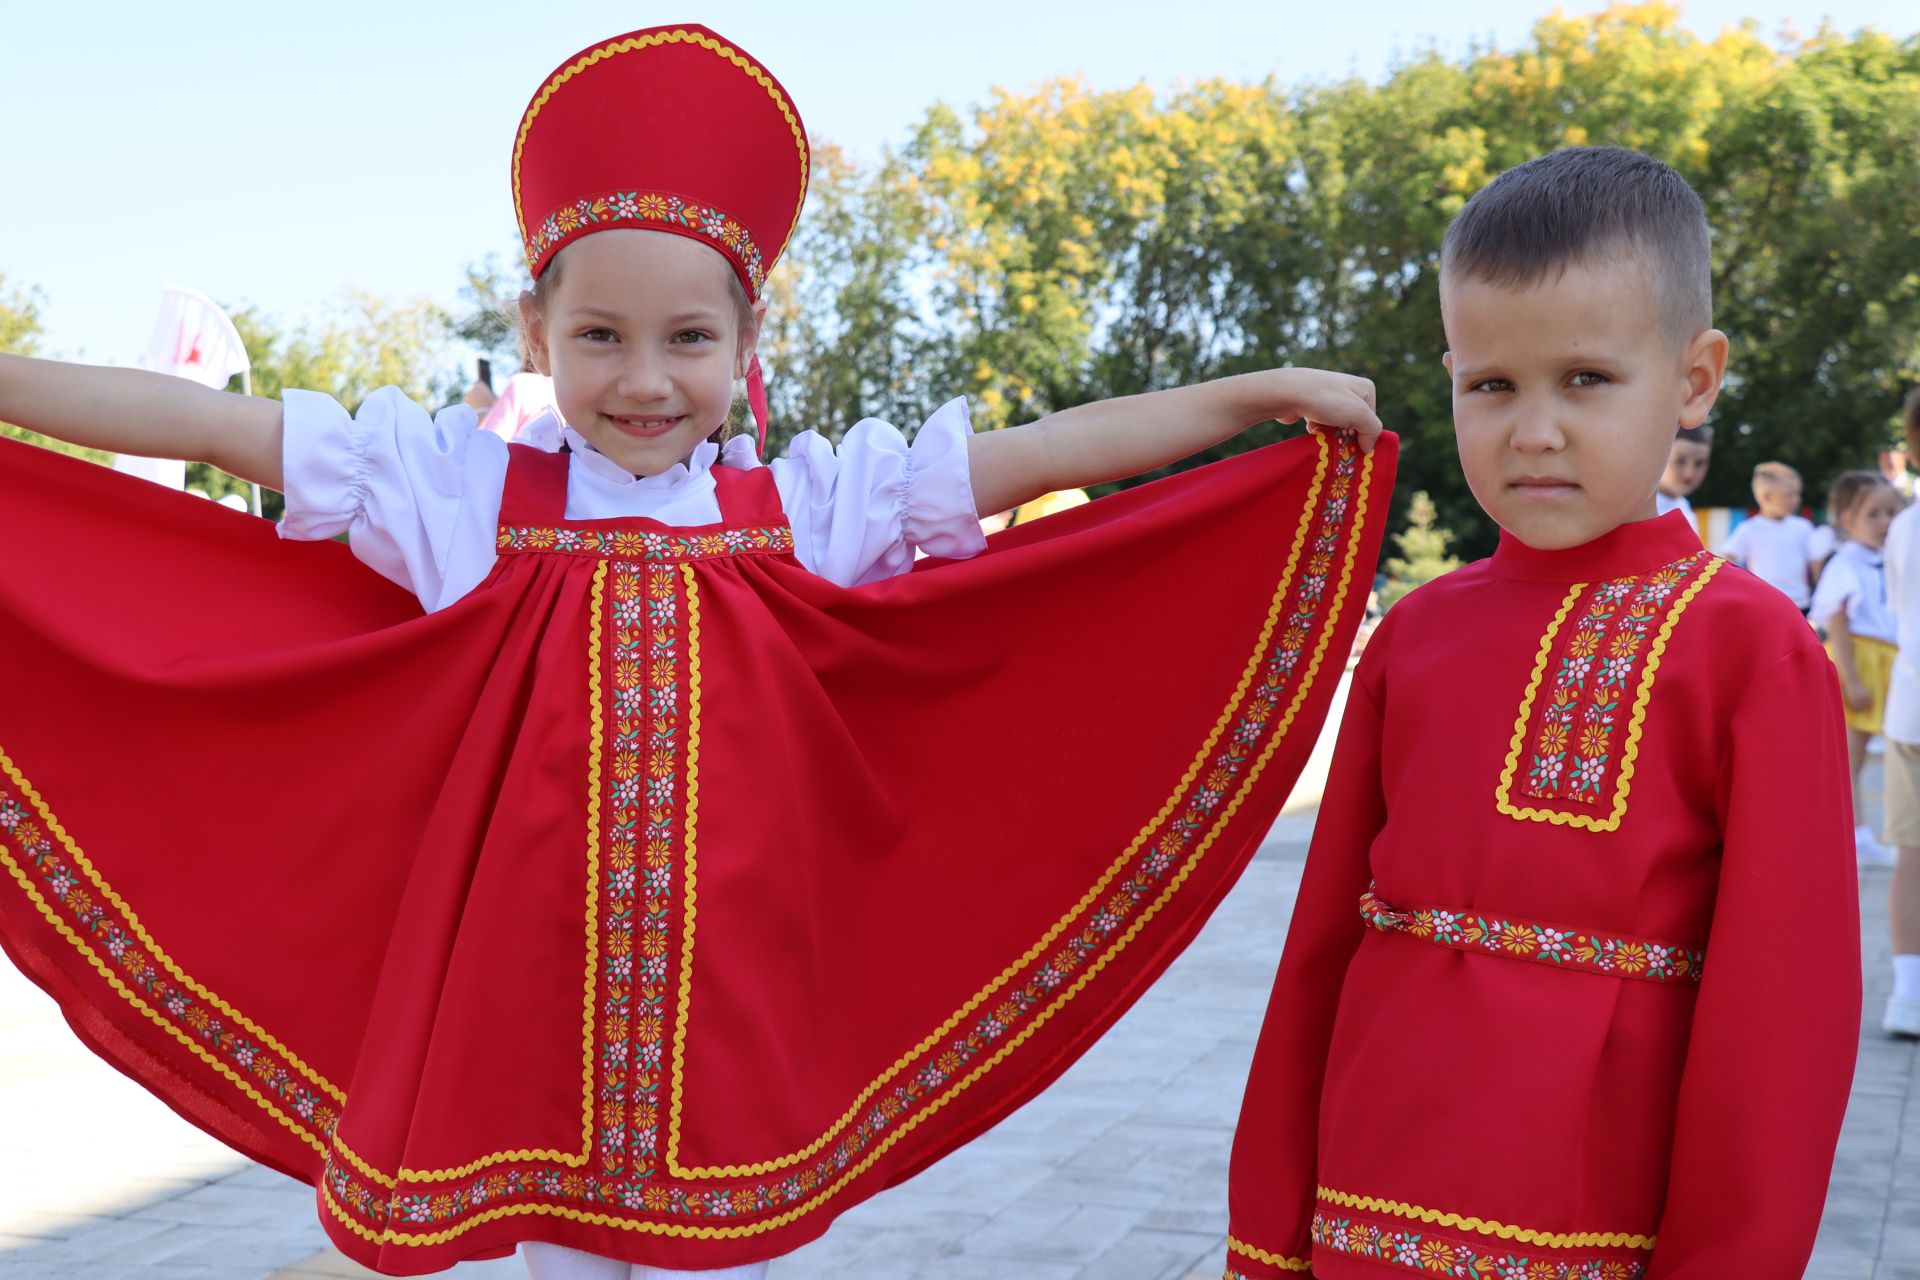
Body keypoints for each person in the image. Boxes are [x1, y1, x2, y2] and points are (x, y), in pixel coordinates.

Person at [0, 25, 1397, 1280]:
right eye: (600, 337)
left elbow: (1034, 456)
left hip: (732, 1014)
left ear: (748, 341)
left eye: (687, 338)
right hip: (525, 1014)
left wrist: (1251, 396)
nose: (645, 380)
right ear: (536, 330)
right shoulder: (457, 495)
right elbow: (213, 431)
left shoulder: (809, 509)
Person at [1222, 147, 1858, 1280]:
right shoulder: (1412, 635)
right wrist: (1271, 1237)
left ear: (1695, 380)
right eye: (1492, 385)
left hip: (1602, 1230)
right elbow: (1320, 947)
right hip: (1367, 1214)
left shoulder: (1752, 648)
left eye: (1587, 380)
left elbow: (1784, 1021)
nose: (1535, 430)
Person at [1813, 470, 1903, 866]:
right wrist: (1850, 679)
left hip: (1887, 659)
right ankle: (1852, 834)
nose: (1885, 522)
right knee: (1850, 755)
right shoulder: (1845, 563)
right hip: (1857, 660)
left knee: (1876, 751)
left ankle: (1858, 832)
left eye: (1891, 512)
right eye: (1873, 514)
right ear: (1846, 521)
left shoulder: (1890, 558)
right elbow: (1836, 623)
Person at [1881, 389, 1920, 1034]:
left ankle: (1907, 993)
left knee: (1913, 853)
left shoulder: (1906, 521)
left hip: (1910, 706)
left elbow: (1898, 610)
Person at [1716, 460, 1816, 611]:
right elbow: (1727, 560)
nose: (1797, 500)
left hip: (1801, 605)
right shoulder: (1749, 529)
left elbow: (1816, 563)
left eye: (1797, 494)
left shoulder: (1803, 527)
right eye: (1789, 495)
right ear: (1767, 497)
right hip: (1765, 605)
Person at [1654, 422, 1710, 524]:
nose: (1689, 473)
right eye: (1680, 461)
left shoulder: (1684, 506)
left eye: (1699, 463)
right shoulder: (1638, 511)